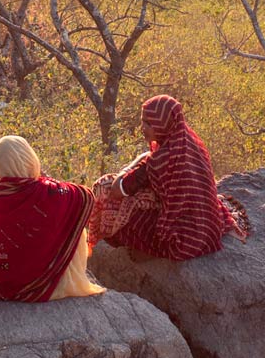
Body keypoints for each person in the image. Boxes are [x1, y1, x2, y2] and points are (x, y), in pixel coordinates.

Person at [91, 95, 248, 260]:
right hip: (210, 227)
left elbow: (117, 190)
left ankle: (149, 251)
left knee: (106, 191)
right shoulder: (191, 143)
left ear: (164, 124)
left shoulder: (159, 160)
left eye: (149, 124)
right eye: (143, 121)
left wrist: (139, 159)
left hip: (181, 241)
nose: (143, 128)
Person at [0, 135, 104, 302]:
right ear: (29, 158)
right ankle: (64, 278)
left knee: (70, 215)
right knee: (71, 216)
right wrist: (48, 180)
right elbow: (86, 196)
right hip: (40, 286)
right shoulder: (48, 192)